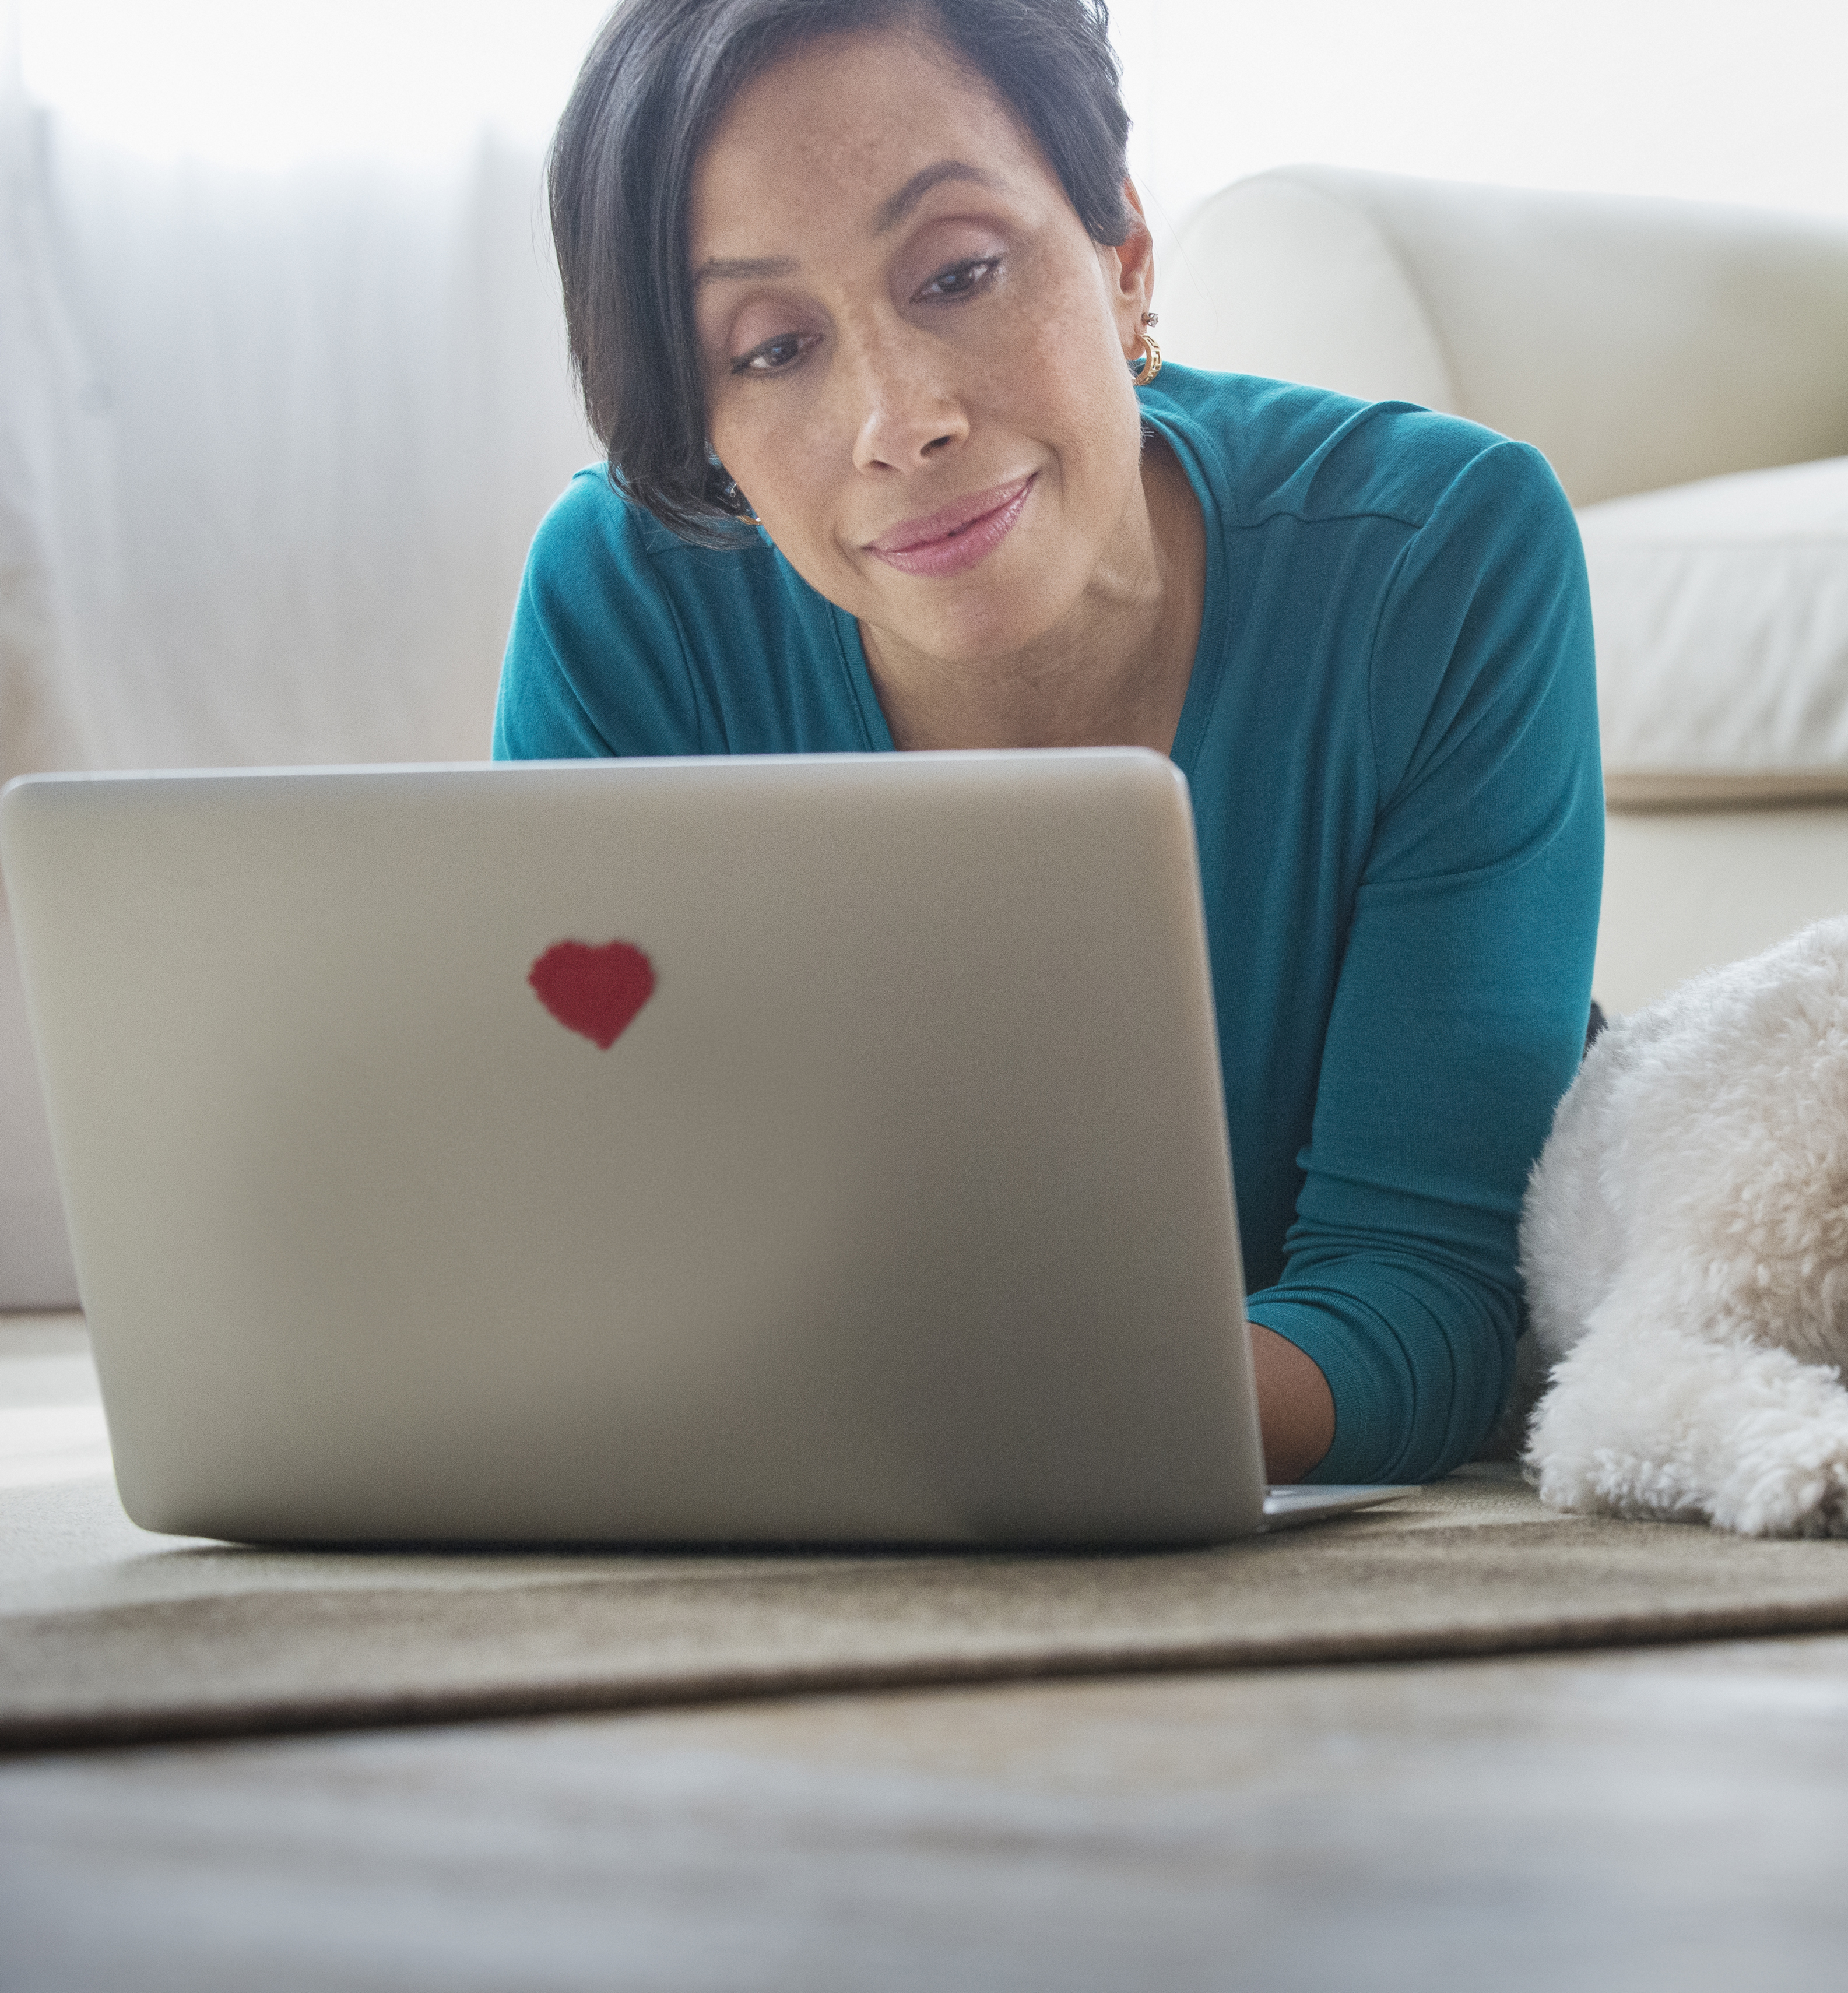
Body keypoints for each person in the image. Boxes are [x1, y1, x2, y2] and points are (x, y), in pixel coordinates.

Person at [496, 0, 1602, 1485]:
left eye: (959, 273)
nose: (901, 419)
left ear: (1124, 258)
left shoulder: (1442, 558)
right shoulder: (626, 605)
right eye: (773, 349)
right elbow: (581, 1231)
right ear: (707, 431)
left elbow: (1421, 1296)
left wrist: (984, 1421)